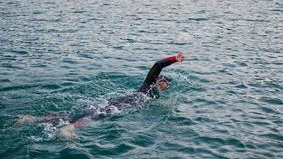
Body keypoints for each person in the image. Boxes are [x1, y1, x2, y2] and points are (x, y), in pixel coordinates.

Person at [15, 52, 185, 138]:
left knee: (83, 111)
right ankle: (70, 128)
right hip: (123, 104)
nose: (166, 86)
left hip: (116, 99)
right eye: (166, 83)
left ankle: (33, 119)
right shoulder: (149, 84)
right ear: (160, 81)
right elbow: (157, 65)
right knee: (98, 116)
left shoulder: (151, 91)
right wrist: (174, 58)